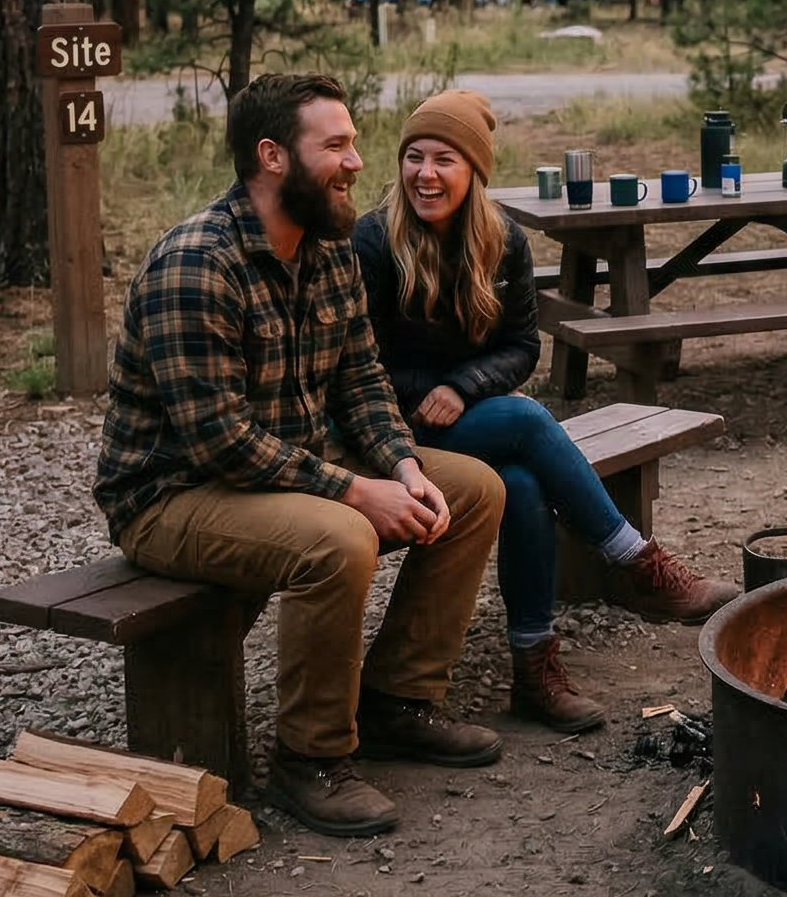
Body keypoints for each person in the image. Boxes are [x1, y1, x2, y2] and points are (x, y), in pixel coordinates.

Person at [96, 73, 506, 840]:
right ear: (272, 156)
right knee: (339, 538)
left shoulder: (328, 251)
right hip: (171, 495)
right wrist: (356, 491)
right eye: (337, 145)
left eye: (353, 144)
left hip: (283, 467)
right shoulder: (197, 263)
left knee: (473, 488)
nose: (357, 162)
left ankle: (396, 703)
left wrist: (405, 467)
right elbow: (218, 439)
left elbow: (363, 383)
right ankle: (308, 758)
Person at [353, 91, 737, 733]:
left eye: (443, 158)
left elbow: (522, 345)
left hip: (468, 417)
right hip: (392, 426)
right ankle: (635, 562)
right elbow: (361, 357)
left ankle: (534, 670)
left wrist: (466, 387)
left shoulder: (501, 238)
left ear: (474, 170)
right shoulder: (374, 239)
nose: (425, 173)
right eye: (413, 157)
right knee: (530, 422)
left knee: (523, 484)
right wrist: (436, 391)